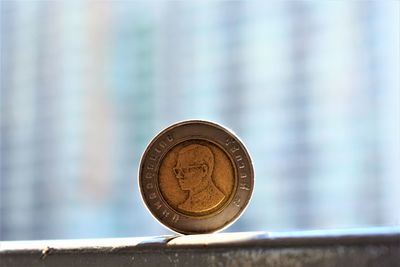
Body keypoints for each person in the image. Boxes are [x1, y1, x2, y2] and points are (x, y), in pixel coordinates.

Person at [173, 144, 225, 213]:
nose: (179, 176)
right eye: (177, 171)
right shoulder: (184, 206)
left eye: (186, 170)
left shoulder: (218, 199)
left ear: (204, 170)